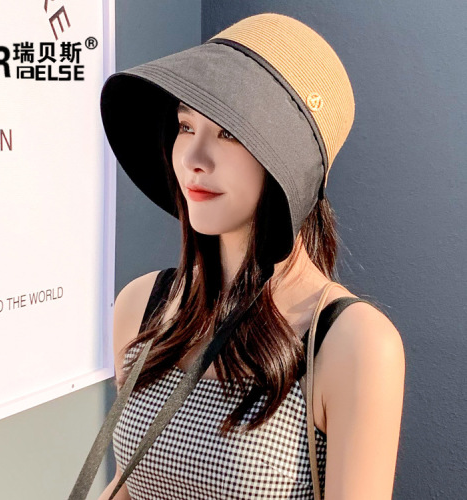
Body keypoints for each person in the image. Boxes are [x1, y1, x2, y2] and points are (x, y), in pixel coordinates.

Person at [98, 12, 405, 500]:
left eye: (230, 133)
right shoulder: (142, 305)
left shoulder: (352, 343)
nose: (193, 157)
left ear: (290, 164)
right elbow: (128, 486)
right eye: (185, 125)